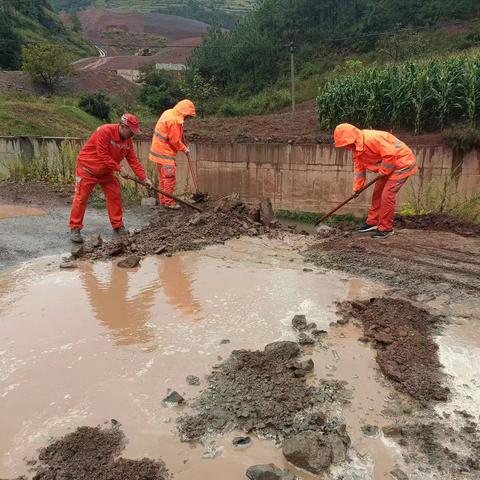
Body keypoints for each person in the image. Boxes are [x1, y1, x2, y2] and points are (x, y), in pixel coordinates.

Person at [69, 114, 153, 243]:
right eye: (131, 131)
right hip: (87, 169)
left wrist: (144, 178)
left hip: (106, 171)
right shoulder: (104, 131)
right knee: (81, 198)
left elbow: (133, 161)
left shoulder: (127, 141)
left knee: (115, 194)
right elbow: (102, 154)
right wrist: (119, 168)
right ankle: (75, 228)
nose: (133, 135)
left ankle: (118, 226)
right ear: (123, 126)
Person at [334, 123, 417, 238]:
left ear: (351, 138)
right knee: (377, 193)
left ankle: (386, 229)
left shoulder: (371, 139)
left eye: (346, 143)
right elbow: (359, 170)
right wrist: (357, 188)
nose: (346, 147)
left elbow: (390, 154)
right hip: (387, 166)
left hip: (402, 163)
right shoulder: (356, 148)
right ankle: (373, 222)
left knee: (387, 195)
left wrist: (383, 171)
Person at [149, 99, 196, 208]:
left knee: (163, 179)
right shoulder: (174, 120)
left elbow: (175, 135)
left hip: (158, 151)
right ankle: (169, 203)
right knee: (169, 178)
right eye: (188, 115)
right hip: (164, 153)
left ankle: (163, 201)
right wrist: (184, 149)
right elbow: (174, 140)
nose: (188, 118)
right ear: (184, 112)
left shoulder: (169, 112)